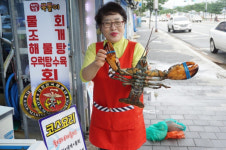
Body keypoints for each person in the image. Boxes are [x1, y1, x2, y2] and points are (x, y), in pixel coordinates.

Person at [80, 2, 146, 150]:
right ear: (101, 27)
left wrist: (144, 76)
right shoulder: (94, 49)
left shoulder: (136, 48)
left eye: (118, 22)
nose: (113, 27)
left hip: (129, 118)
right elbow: (84, 77)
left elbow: (141, 80)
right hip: (103, 118)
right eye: (107, 23)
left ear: (124, 23)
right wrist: (96, 63)